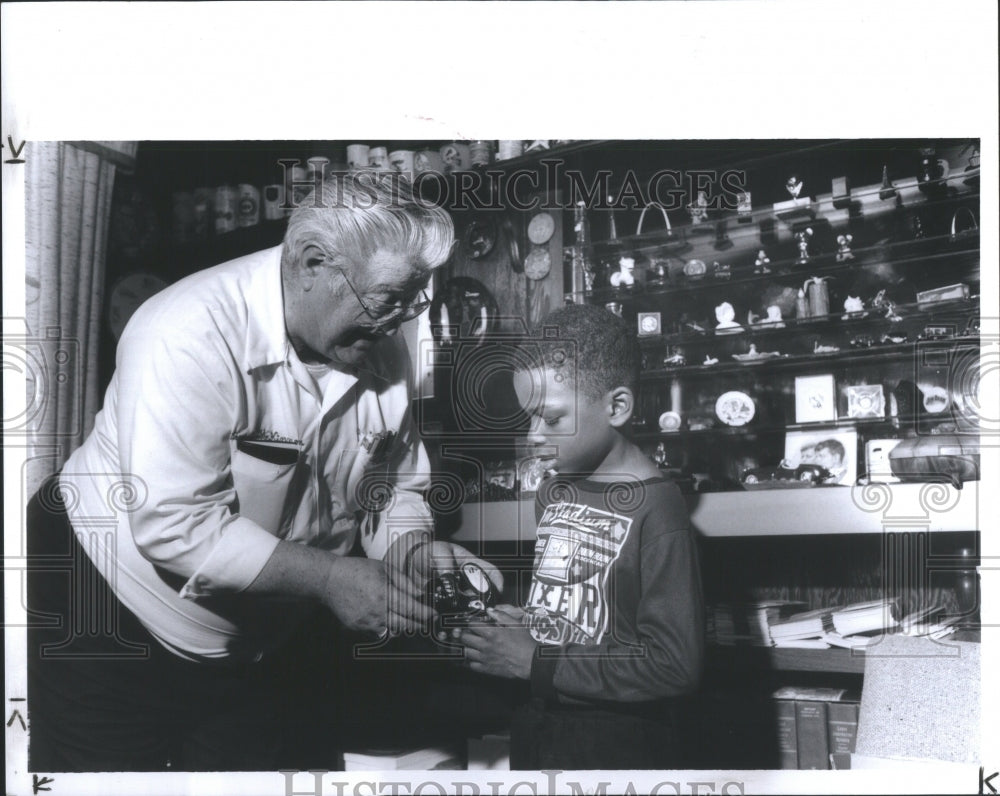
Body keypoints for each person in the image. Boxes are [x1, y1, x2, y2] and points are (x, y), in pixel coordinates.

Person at [27, 173, 500, 771]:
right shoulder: (185, 329)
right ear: (311, 263)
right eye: (388, 299)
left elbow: (394, 484)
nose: (402, 319)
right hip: (102, 603)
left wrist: (409, 550)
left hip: (257, 633)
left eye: (415, 298)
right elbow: (175, 524)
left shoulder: (387, 330)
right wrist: (331, 580)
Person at [454, 304, 704, 770]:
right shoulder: (554, 491)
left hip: (617, 747)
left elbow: (674, 665)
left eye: (550, 419)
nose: (532, 436)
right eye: (529, 418)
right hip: (539, 729)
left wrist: (537, 662)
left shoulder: (658, 508)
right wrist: (526, 623)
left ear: (617, 407)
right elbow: (575, 608)